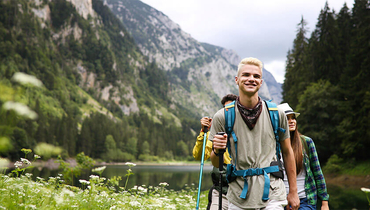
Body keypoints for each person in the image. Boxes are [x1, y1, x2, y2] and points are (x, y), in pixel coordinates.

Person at [210, 57, 300, 210]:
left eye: (256, 76)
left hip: (273, 194)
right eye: (246, 75)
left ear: (261, 82)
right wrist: (217, 150)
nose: (251, 79)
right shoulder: (223, 116)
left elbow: (287, 152)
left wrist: (293, 191)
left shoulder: (277, 114)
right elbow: (216, 163)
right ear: (237, 80)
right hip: (239, 196)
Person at [277, 103, 330, 210]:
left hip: (305, 200)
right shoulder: (273, 145)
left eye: (293, 118)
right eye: (287, 118)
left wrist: (324, 202)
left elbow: (318, 173)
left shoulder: (306, 142)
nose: (291, 121)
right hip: (280, 201)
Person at [193, 94, 238, 210]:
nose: (227, 112)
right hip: (221, 191)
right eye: (225, 109)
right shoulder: (216, 132)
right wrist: (204, 131)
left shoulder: (244, 130)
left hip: (241, 192)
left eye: (231, 108)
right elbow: (199, 156)